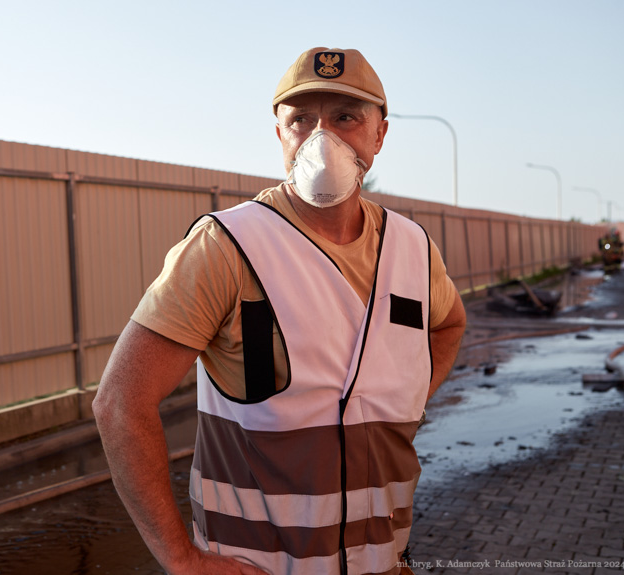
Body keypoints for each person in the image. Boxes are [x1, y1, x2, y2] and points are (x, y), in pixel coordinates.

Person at [93, 46, 467, 575]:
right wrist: (181, 559)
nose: (322, 138)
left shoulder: (411, 247)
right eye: (301, 120)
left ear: (379, 134)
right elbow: (119, 403)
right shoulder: (226, 247)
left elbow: (449, 324)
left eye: (345, 117)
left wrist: (404, 402)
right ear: (280, 136)